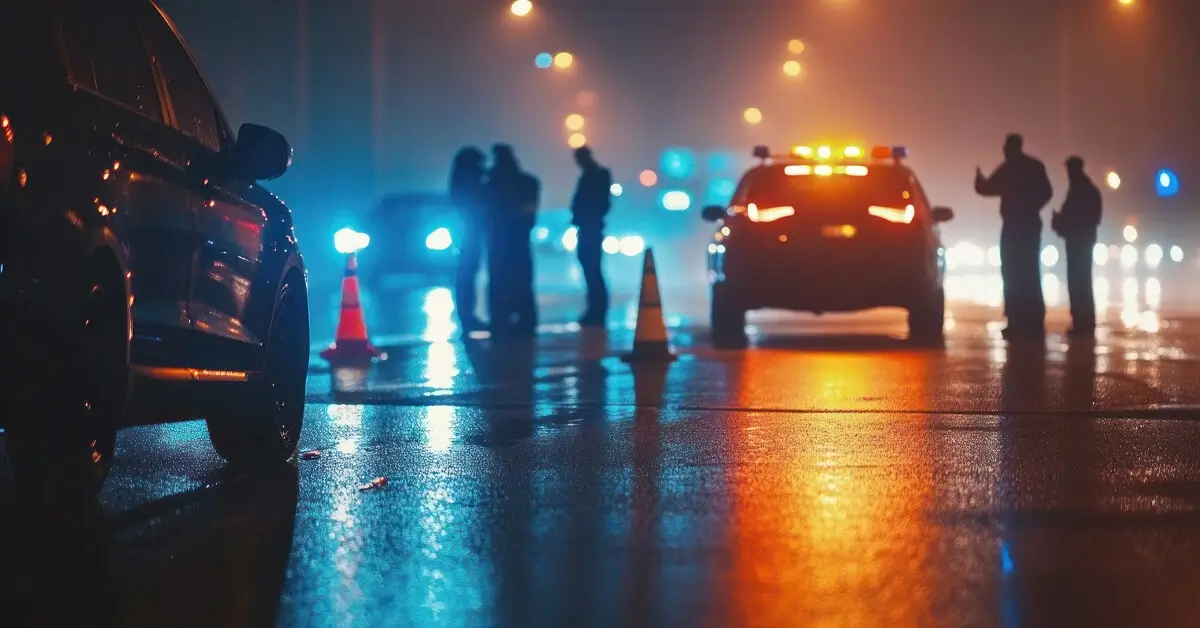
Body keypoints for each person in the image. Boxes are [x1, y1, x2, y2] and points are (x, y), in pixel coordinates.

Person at [975, 134, 1054, 340]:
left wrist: (979, 180)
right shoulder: (1033, 166)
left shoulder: (1009, 168)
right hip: (1028, 225)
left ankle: (1017, 320)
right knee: (1029, 271)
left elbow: (986, 188)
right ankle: (1033, 320)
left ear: (1011, 147)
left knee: (1012, 273)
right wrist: (1032, 207)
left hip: (1015, 226)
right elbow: (1047, 192)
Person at [485, 144, 540, 336]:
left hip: (499, 240)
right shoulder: (527, 182)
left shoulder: (492, 183)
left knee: (500, 279)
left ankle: (501, 319)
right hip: (518, 239)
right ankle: (525, 318)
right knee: (522, 279)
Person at [1051, 156, 1102, 337]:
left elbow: (1088, 218)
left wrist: (1062, 223)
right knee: (1081, 281)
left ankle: (1083, 322)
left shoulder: (1081, 191)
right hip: (1080, 241)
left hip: (1079, 242)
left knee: (1079, 282)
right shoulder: (1085, 189)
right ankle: (1083, 320)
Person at [569, 146, 613, 327]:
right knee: (591, 270)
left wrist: (586, 217)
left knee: (592, 270)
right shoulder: (594, 175)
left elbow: (600, 203)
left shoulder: (596, 175)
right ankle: (595, 310)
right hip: (589, 227)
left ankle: (597, 310)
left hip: (590, 228)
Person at [448, 147, 488, 332]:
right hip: (469, 235)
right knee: (468, 275)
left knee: (467, 275)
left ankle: (467, 316)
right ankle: (467, 316)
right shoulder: (469, 184)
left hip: (467, 234)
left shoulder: (460, 182)